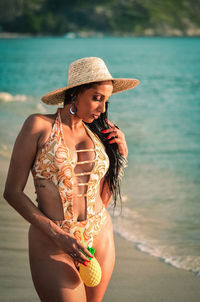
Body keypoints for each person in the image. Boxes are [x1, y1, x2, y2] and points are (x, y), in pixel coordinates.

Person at [3, 57, 140, 302]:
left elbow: (103, 196)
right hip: (52, 239)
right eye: (97, 98)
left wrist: (121, 155)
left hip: (99, 234)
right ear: (75, 93)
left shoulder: (101, 134)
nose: (102, 108)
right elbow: (12, 192)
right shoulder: (38, 126)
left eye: (106, 101)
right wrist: (58, 236)